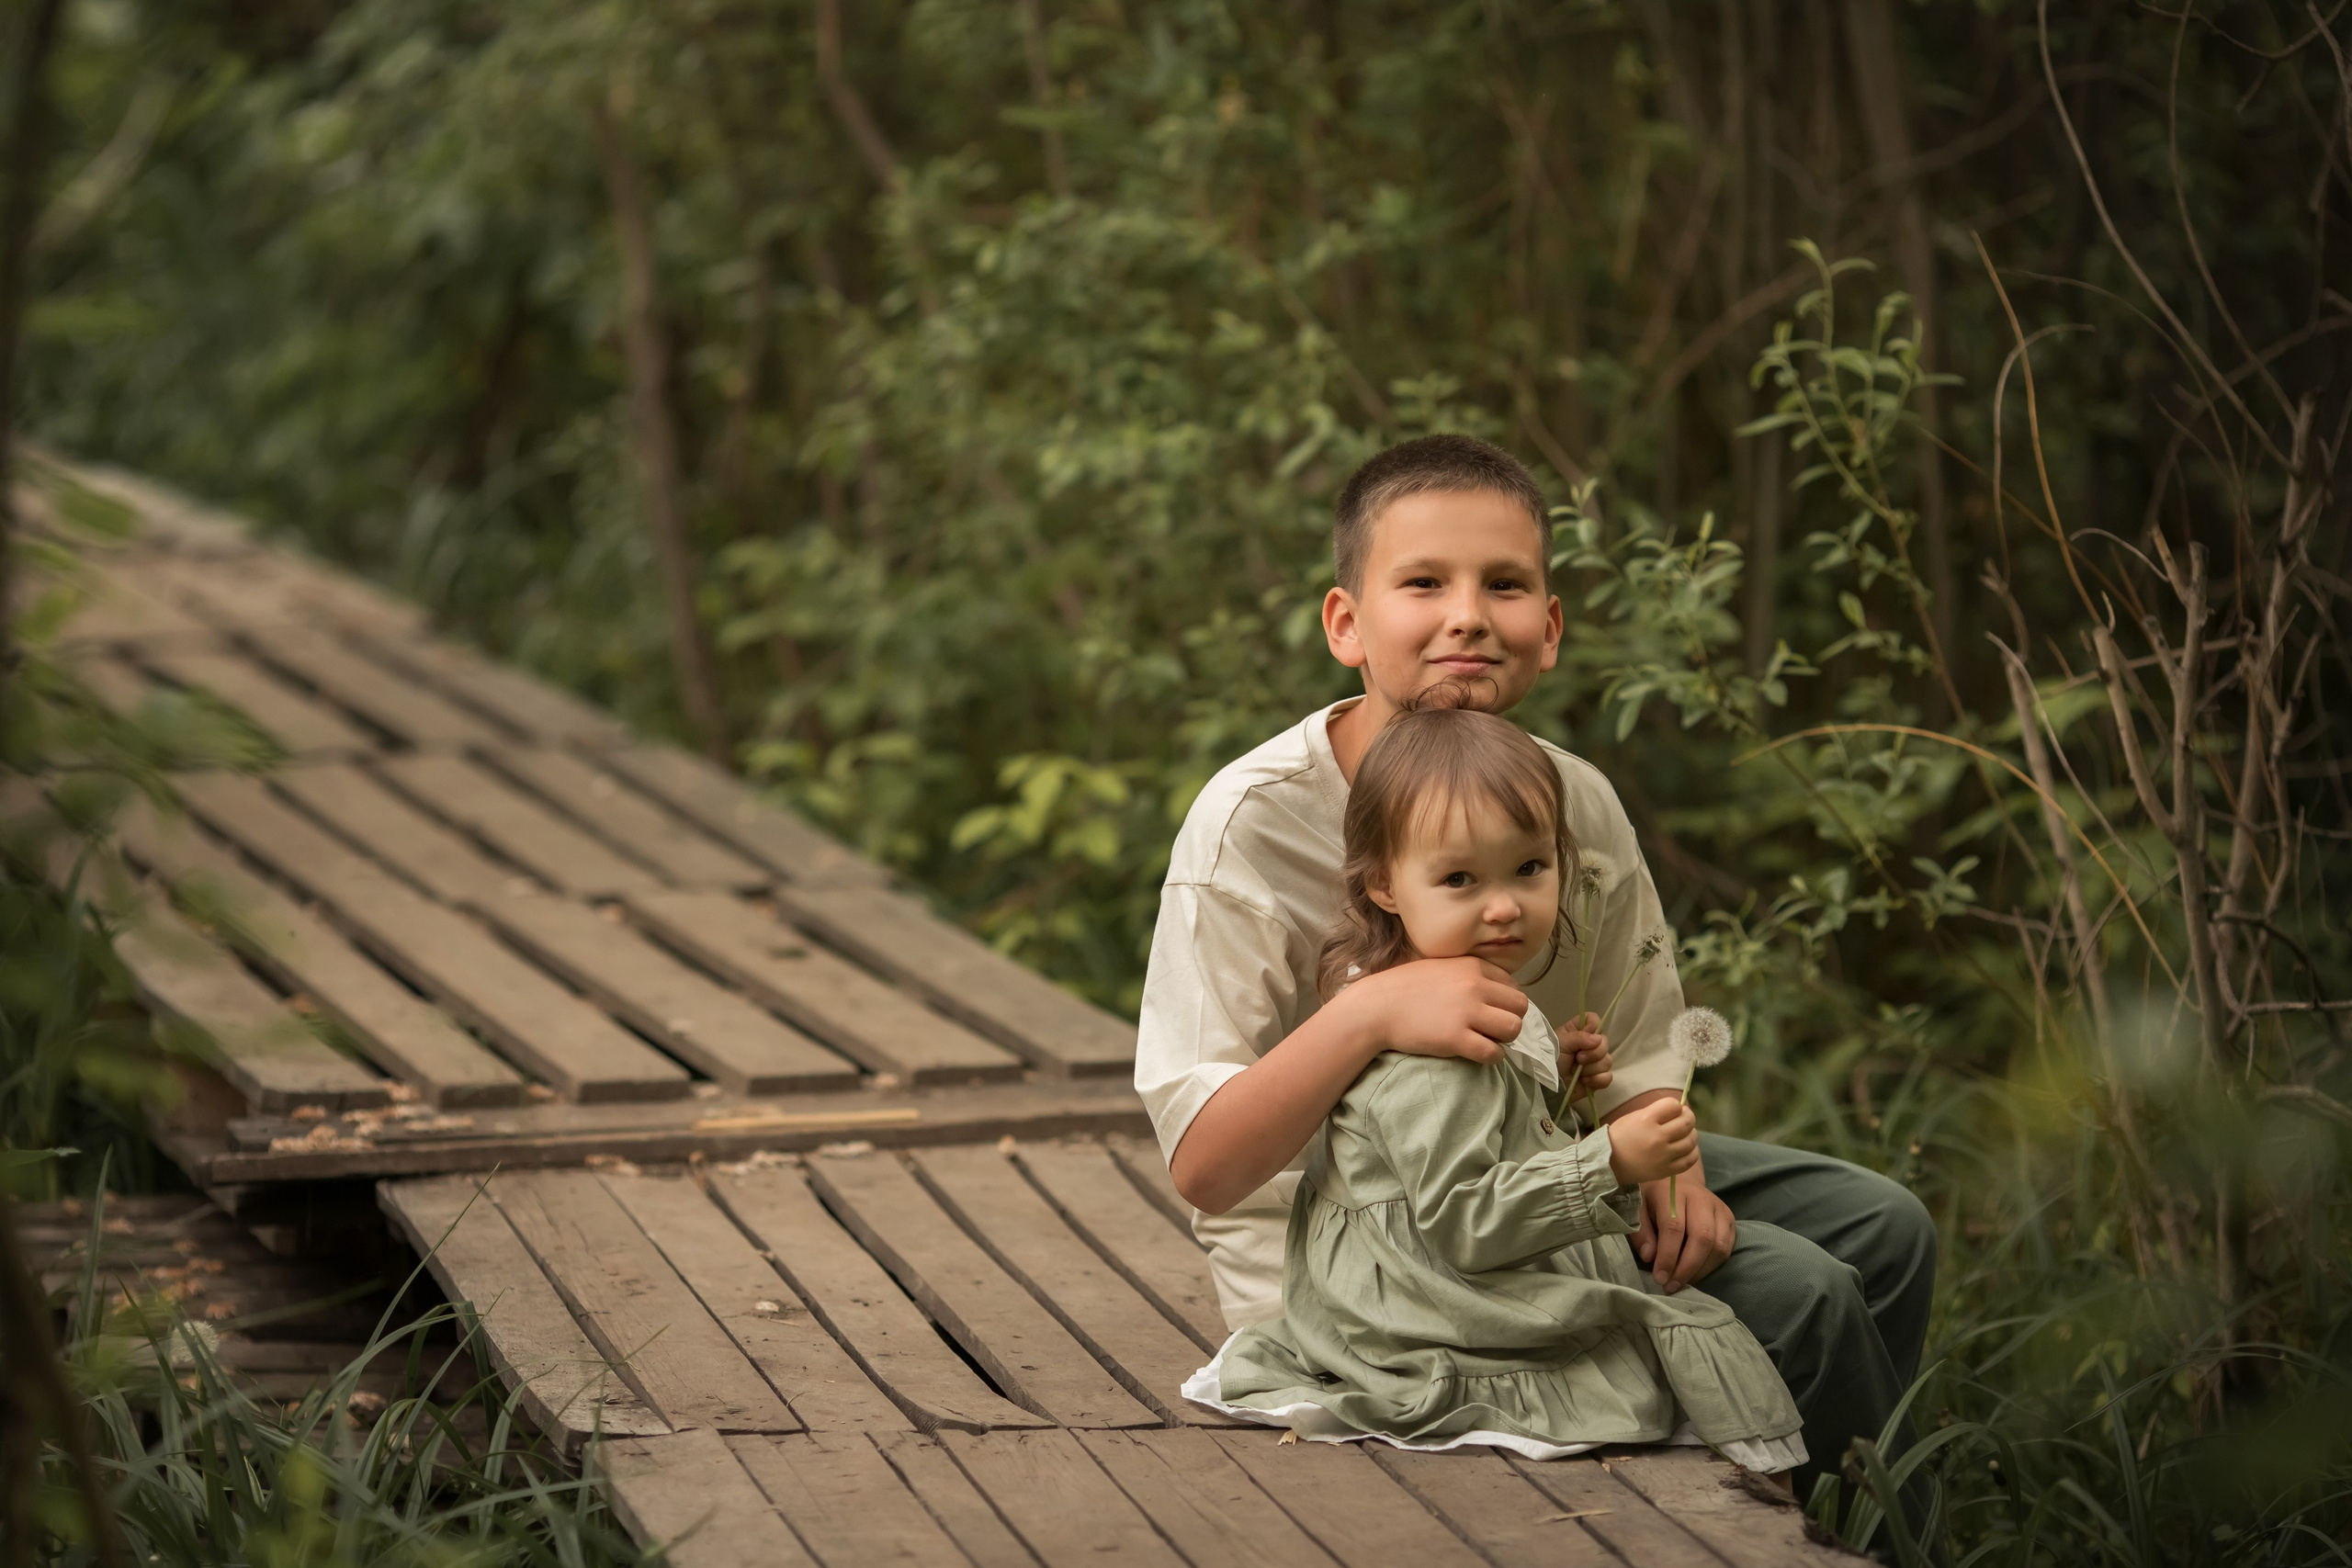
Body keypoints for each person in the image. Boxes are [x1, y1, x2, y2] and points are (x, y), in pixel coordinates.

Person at [1136, 433, 1935, 1494]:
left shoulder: (1572, 801)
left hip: (1544, 1168)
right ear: (1346, 624)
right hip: (1381, 1260)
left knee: (1885, 1227)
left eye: (1503, 585)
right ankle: (1870, 1532)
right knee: (1806, 1294)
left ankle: (1809, 1505)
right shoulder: (1255, 825)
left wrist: (1671, 1159)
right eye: (1423, 582)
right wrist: (1371, 1016)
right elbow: (1205, 1165)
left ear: (1547, 630)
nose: (1467, 614)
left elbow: (1645, 1038)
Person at [1182, 699, 1807, 1470]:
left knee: (1867, 1234)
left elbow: (1481, 1131)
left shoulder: (1451, 990)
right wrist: (1609, 1155)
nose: (1505, 904)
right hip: (1432, 1305)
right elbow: (1465, 1219)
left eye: (1530, 868)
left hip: (1457, 1260)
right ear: (1384, 885)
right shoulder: (1426, 1054)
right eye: (1458, 878)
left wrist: (1559, 1091)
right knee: (1791, 1295)